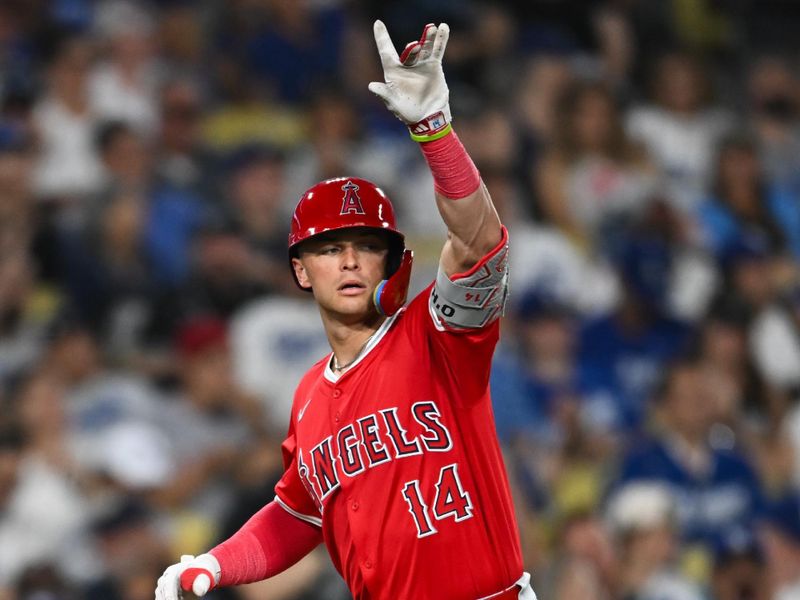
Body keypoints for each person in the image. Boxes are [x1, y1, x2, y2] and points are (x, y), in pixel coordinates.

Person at [154, 20, 536, 600]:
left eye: (367, 247)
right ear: (302, 271)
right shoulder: (309, 397)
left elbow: (481, 241)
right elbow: (296, 516)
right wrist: (213, 564)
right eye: (331, 249)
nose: (352, 261)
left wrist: (434, 132)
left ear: (389, 263)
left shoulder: (437, 336)